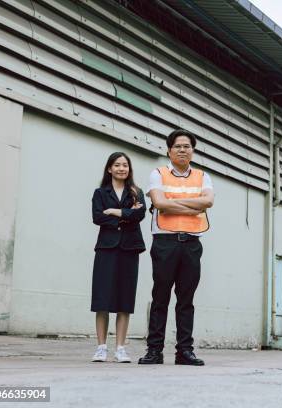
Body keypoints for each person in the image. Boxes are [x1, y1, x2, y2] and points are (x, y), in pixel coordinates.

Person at [138, 129, 214, 366]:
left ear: (193, 150)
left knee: (186, 299)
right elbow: (159, 203)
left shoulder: (203, 176)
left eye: (187, 146)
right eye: (178, 146)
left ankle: (185, 351)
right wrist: (193, 207)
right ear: (169, 150)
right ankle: (154, 350)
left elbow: (208, 201)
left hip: (192, 243)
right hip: (165, 242)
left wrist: (172, 204)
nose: (183, 150)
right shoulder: (158, 173)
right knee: (160, 297)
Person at [91, 152, 146, 363]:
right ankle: (101, 347)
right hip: (106, 248)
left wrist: (115, 212)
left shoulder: (136, 192)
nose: (122, 168)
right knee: (102, 298)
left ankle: (121, 348)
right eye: (117, 165)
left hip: (129, 248)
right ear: (109, 169)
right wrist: (126, 215)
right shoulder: (100, 192)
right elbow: (97, 217)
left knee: (125, 299)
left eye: (125, 165)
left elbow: (140, 215)